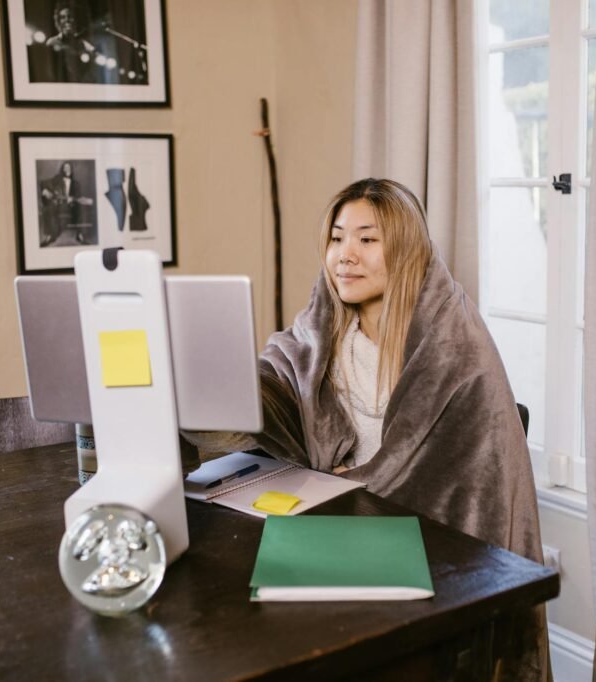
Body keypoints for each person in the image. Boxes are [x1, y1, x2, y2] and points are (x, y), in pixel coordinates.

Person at [184, 178, 548, 679]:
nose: (344, 256)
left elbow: (447, 472)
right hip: (338, 535)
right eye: (336, 238)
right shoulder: (323, 331)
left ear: (404, 249)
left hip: (435, 558)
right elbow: (268, 397)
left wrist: (345, 480)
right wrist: (197, 384)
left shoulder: (451, 343)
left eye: (367, 239)